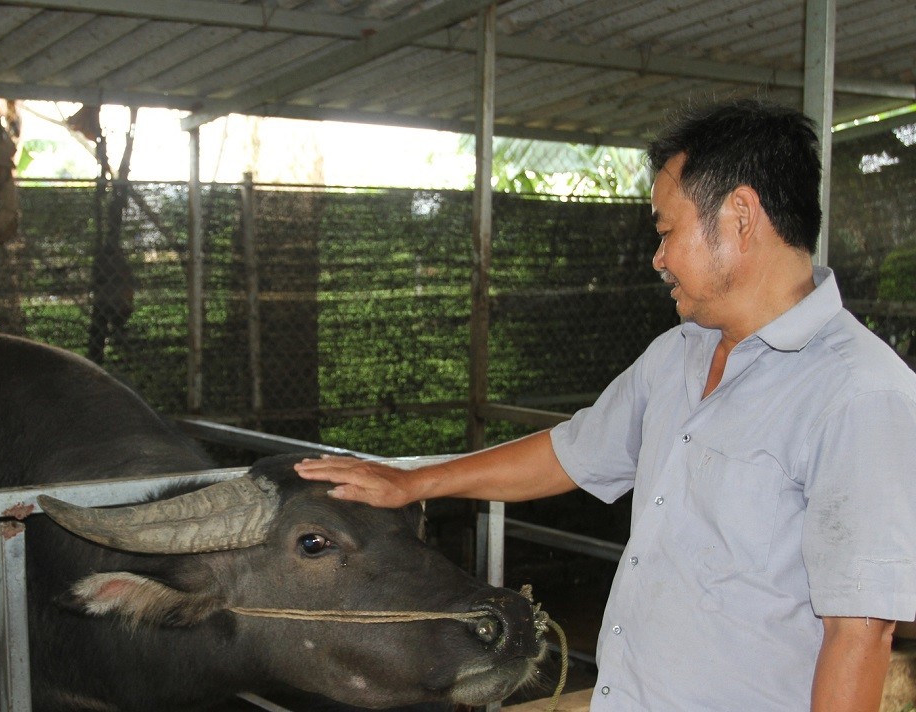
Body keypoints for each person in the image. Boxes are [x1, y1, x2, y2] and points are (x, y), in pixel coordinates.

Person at [295, 99, 916, 711]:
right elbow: (569, 453)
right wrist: (413, 482)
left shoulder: (860, 393)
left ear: (741, 216)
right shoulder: (677, 355)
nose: (659, 258)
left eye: (667, 231)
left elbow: (859, 631)